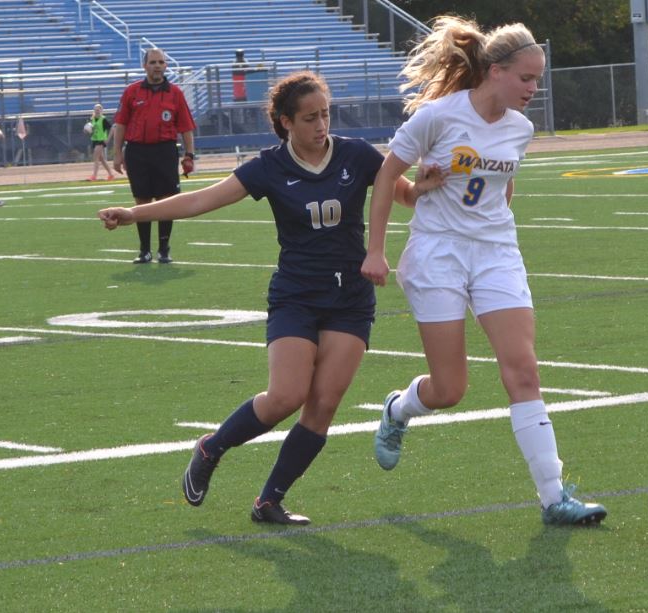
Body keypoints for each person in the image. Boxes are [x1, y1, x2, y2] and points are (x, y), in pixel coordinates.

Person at [98, 71, 443, 525]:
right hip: (296, 296)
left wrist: (425, 186)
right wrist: (132, 214)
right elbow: (202, 200)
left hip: (350, 299)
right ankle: (211, 446)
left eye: (325, 115)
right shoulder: (269, 166)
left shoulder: (356, 154)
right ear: (285, 122)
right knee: (285, 395)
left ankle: (269, 501)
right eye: (309, 118)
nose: (321, 125)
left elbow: (401, 192)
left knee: (322, 405)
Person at [361, 16, 607, 526]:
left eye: (538, 79)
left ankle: (554, 496)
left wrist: (495, 226)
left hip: (496, 252)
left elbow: (502, 189)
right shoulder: (438, 117)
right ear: (495, 72)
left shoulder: (521, 129)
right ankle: (398, 410)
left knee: (524, 369)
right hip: (438, 253)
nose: (534, 89)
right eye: (526, 78)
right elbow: (388, 176)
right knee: (450, 390)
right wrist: (375, 251)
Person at [113, 48, 196, 264]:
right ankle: (144, 250)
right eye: (153, 62)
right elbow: (121, 124)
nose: (157, 65)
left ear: (166, 66)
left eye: (161, 62)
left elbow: (186, 127)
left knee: (166, 200)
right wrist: (116, 154)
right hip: (137, 152)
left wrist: (189, 155)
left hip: (165, 150)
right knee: (142, 200)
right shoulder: (132, 92)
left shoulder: (175, 93)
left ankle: (164, 248)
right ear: (144, 66)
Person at [84, 103, 114, 181]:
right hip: (94, 140)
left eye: (98, 110)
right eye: (95, 110)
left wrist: (108, 139)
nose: (97, 111)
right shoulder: (92, 119)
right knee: (102, 159)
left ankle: (94, 176)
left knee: (95, 157)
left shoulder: (103, 119)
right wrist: (86, 130)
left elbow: (112, 128)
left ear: (101, 110)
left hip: (101, 140)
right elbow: (89, 131)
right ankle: (111, 174)